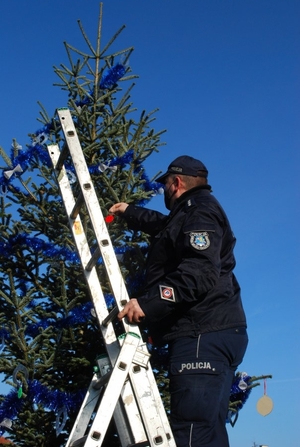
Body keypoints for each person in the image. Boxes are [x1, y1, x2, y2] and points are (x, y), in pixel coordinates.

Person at [109, 155, 248, 447]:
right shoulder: (190, 212)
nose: (164, 193)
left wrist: (147, 305)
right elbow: (165, 227)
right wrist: (129, 211)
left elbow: (198, 272)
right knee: (208, 431)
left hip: (201, 331)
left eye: (165, 186)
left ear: (176, 182)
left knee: (193, 432)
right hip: (215, 329)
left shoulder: (200, 212)